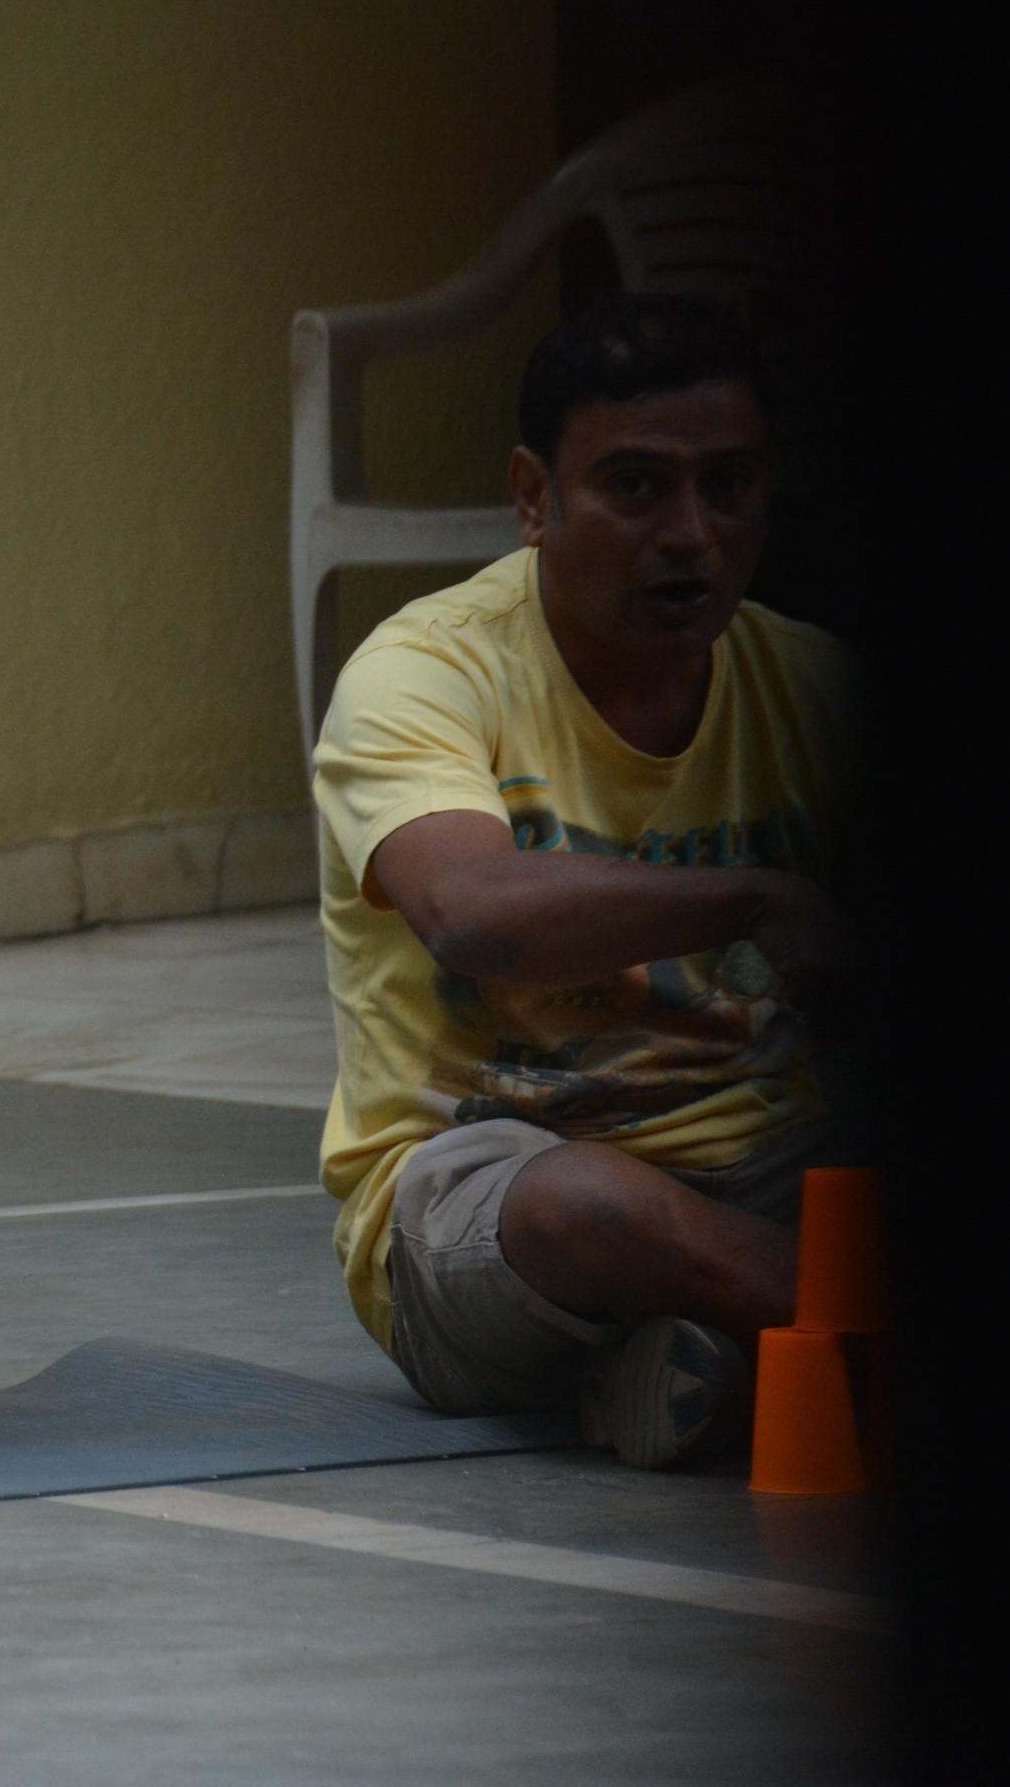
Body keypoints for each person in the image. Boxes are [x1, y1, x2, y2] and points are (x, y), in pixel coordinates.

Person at [311, 293, 865, 1469]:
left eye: (730, 485)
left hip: (760, 1172)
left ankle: (689, 1362)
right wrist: (752, 899)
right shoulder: (424, 670)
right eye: (637, 486)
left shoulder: (812, 684)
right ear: (532, 496)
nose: (692, 534)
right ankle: (851, 1328)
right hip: (488, 1205)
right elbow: (472, 915)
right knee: (597, 1206)